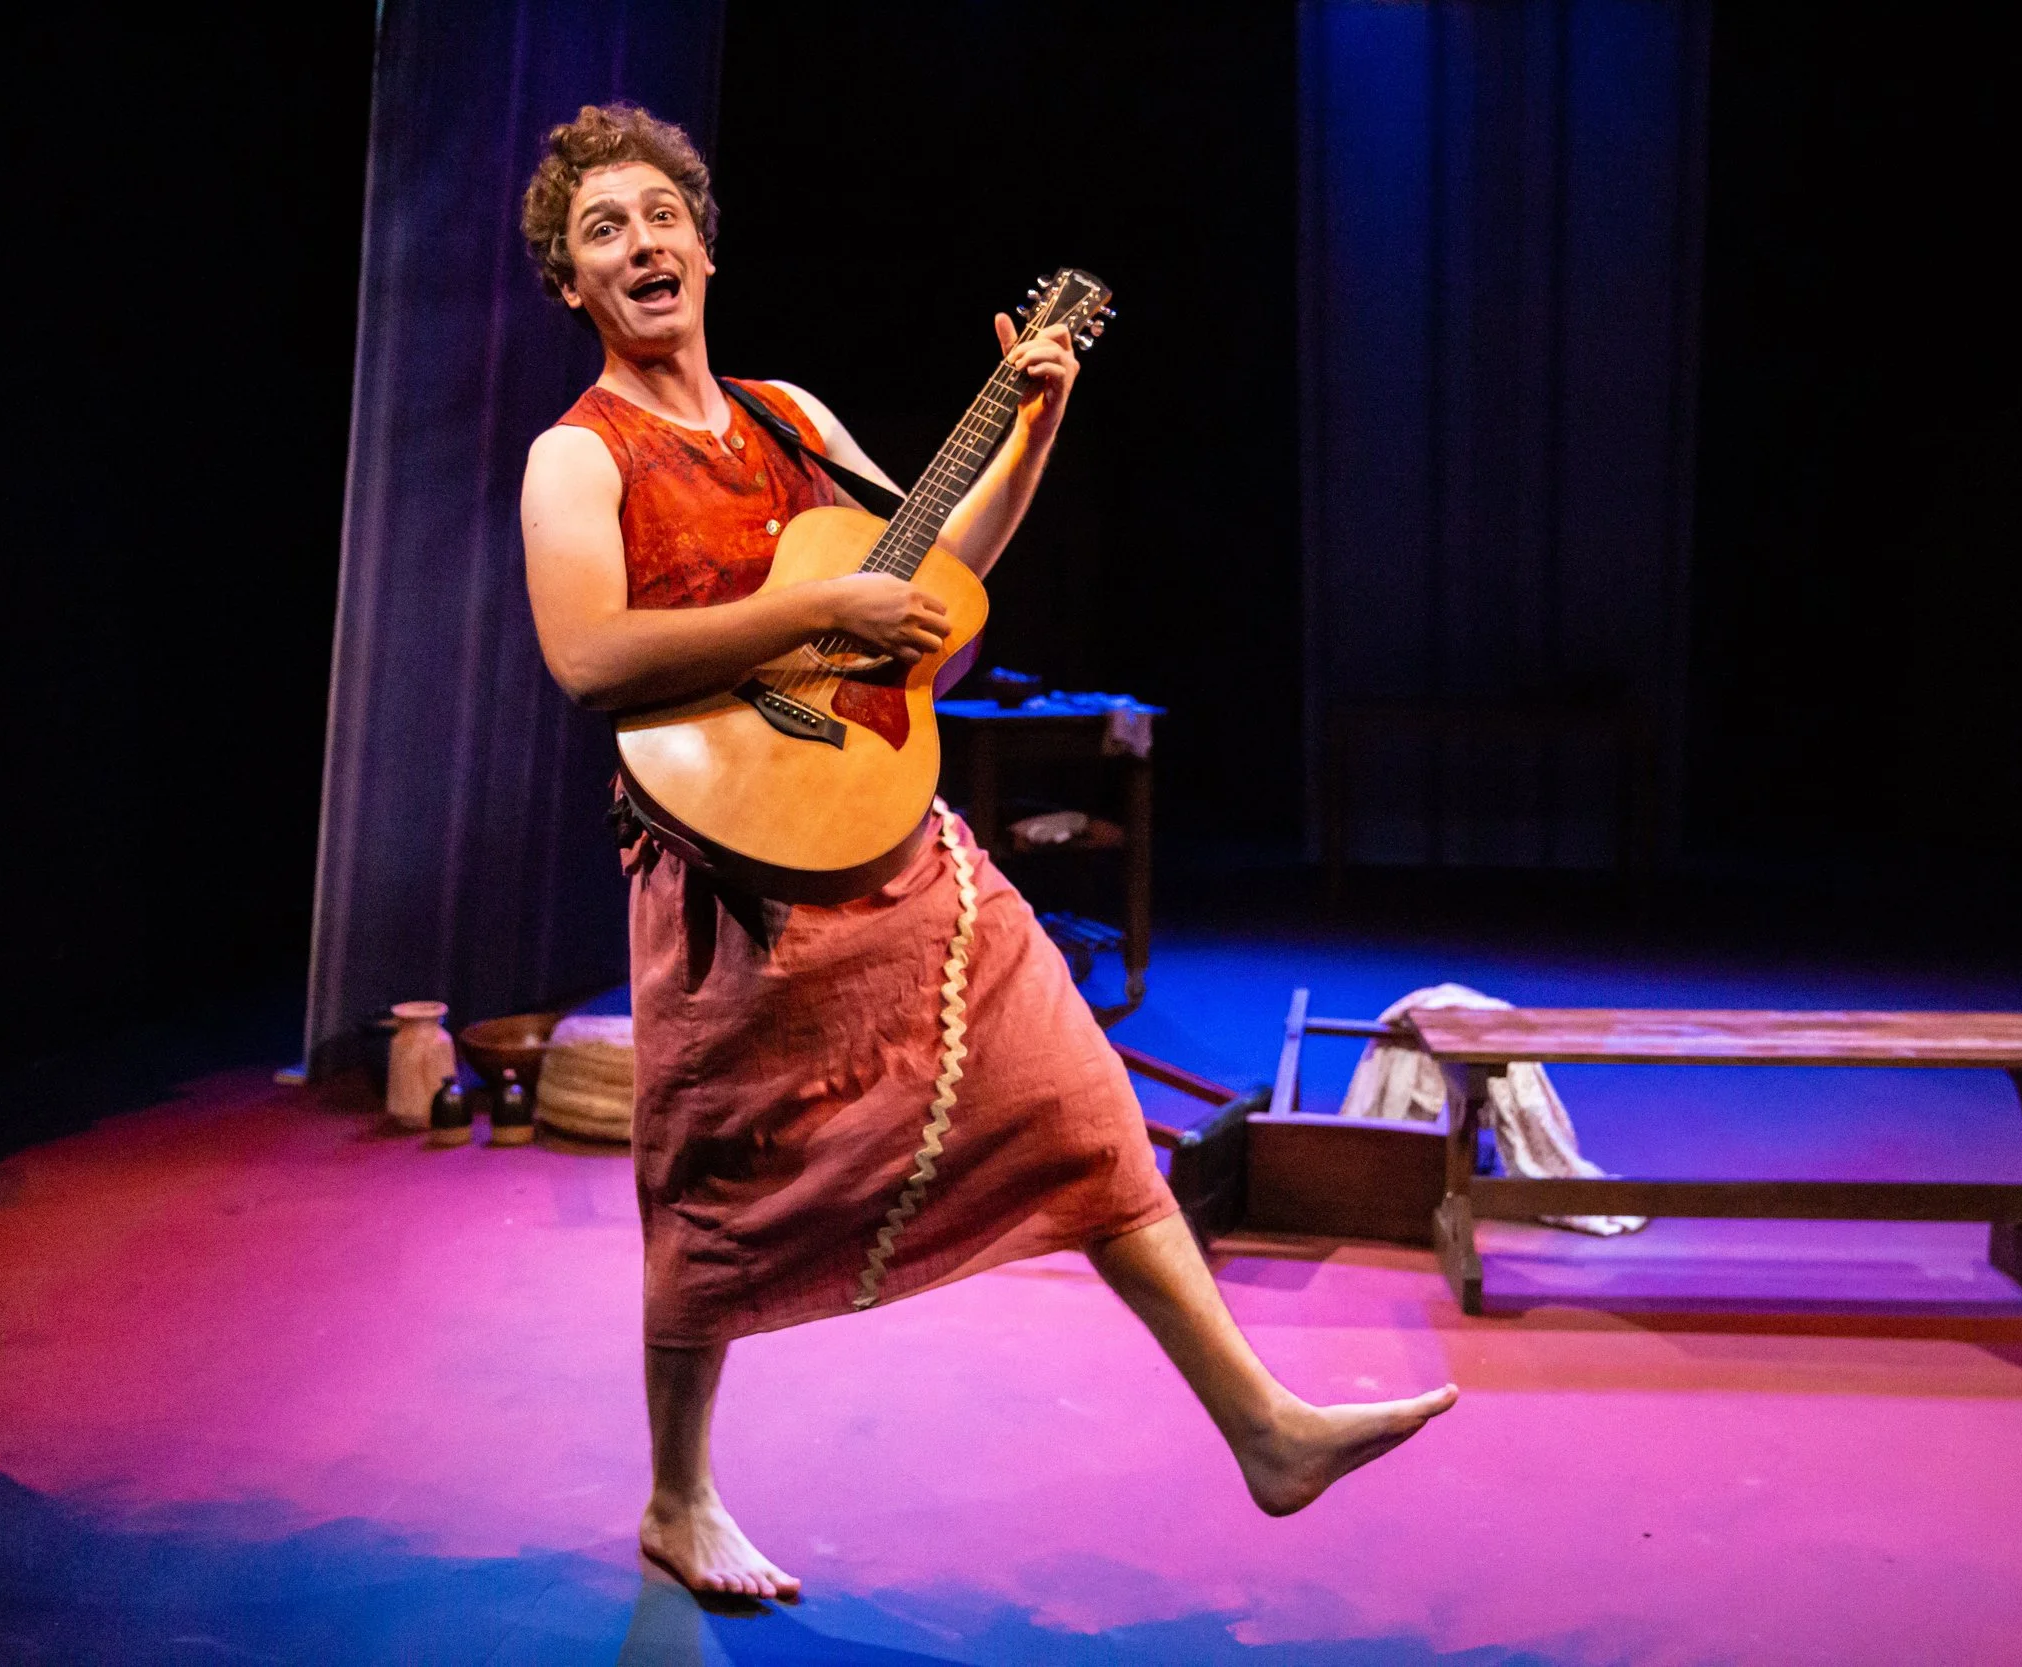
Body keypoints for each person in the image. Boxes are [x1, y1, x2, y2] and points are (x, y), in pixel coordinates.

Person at [517, 102, 1456, 1604]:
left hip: (890, 843)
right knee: (710, 1195)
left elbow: (932, 589)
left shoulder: (792, 418)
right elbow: (589, 656)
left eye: (661, 214)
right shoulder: (577, 457)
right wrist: (813, 620)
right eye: (603, 229)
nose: (644, 243)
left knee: (1082, 1100)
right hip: (727, 873)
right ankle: (677, 1497)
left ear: (705, 238)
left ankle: (1263, 1422)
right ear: (571, 283)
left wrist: (1034, 429)